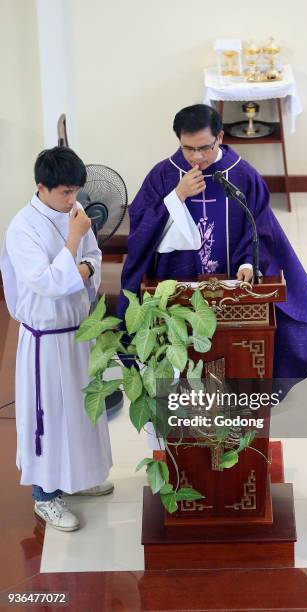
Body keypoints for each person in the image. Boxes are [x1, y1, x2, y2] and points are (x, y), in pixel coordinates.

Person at [119, 104, 307, 380]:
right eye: (188, 148)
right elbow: (141, 229)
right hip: (180, 296)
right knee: (184, 374)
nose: (196, 157)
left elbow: (261, 229)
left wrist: (247, 262)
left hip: (232, 295)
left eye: (204, 148)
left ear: (220, 138)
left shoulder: (243, 176)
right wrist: (177, 196)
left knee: (231, 366)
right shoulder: (164, 175)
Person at [0, 147, 113, 532]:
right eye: (65, 192)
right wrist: (74, 244)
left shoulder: (75, 215)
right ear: (41, 187)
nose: (73, 200)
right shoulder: (22, 228)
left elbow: (93, 260)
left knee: (82, 411)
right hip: (46, 340)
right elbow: (48, 283)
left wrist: (81, 260)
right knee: (49, 415)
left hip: (77, 332)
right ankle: (45, 497)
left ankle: (78, 477)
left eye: (76, 191)